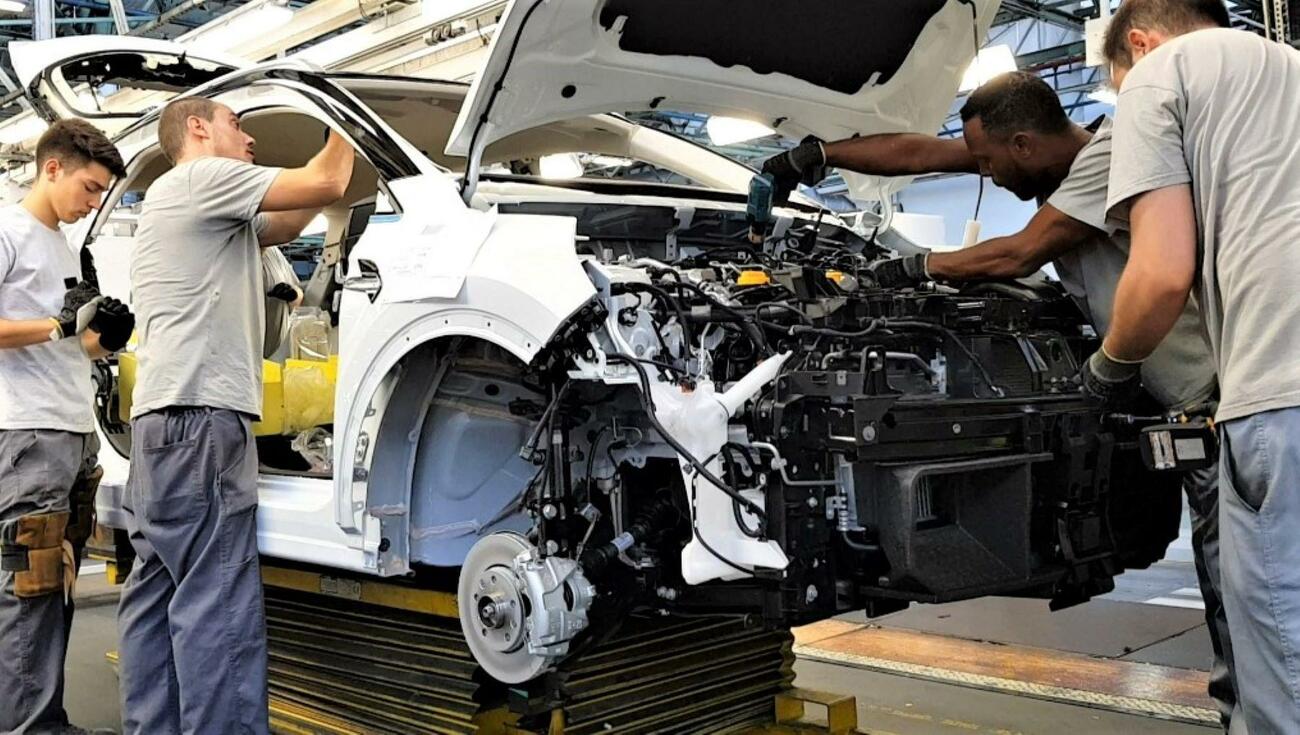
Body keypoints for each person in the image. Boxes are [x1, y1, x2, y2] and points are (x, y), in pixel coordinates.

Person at [763, 69, 1238, 731]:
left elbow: (1020, 252)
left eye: (988, 161)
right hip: (1182, 411)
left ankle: (1261, 712)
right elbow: (921, 152)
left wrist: (916, 267)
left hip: (1223, 409)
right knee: (1232, 596)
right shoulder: (1038, 156)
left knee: (1245, 594)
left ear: (1022, 143)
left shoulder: (1111, 156)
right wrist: (820, 154)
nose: (984, 173)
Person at [116, 97, 354, 734]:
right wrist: (346, 117)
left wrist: (335, 184)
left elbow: (292, 219)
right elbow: (326, 180)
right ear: (198, 128)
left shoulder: (192, 205)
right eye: (238, 125)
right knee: (215, 601)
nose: (248, 139)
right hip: (201, 422)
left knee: (159, 594)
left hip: (161, 425)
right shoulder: (201, 177)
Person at [1097, 0, 1300, 731]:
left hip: (1281, 392)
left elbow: (1158, 275)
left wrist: (1107, 368)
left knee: (1282, 678)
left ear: (1140, 45)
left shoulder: (1160, 75)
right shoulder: (1291, 69)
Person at [0, 119, 134, 734]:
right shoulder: (7, 229)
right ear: (52, 168)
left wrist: (100, 340)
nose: (93, 202)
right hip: (24, 431)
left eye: (103, 191)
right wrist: (56, 326)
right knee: (25, 585)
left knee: (57, 582)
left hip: (72, 432)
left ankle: (43, 717)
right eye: (89, 187)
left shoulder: (70, 248)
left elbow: (68, 343)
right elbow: (37, 330)